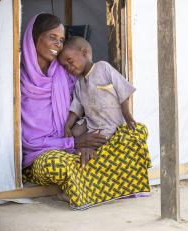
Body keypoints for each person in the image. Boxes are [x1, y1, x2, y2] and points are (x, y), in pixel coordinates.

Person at [21, 13, 151, 210]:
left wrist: (86, 142)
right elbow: (27, 141)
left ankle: (79, 187)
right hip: (42, 153)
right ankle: (100, 185)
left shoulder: (65, 73)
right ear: (35, 36)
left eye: (61, 39)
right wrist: (73, 143)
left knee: (135, 135)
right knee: (57, 165)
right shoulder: (17, 79)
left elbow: (84, 107)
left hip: (77, 143)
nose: (58, 44)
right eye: (52, 37)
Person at [58, 36, 143, 167]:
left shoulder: (103, 67)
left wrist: (127, 115)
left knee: (101, 140)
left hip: (110, 124)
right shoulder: (79, 82)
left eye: (70, 61)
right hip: (91, 122)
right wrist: (67, 126)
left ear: (84, 52)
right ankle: (83, 151)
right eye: (65, 66)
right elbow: (76, 106)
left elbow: (123, 89)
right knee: (73, 134)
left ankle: (88, 152)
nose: (69, 67)